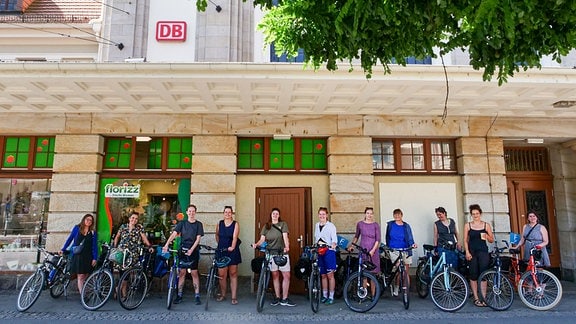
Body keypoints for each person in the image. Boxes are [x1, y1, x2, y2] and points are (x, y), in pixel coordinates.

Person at [252, 207, 295, 307]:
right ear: (270, 215)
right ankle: (277, 297)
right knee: (275, 275)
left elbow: (285, 237)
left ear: (279, 215)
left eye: (277, 214)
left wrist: (287, 246)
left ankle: (284, 298)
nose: (275, 215)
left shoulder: (283, 224)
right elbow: (262, 239)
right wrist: (256, 244)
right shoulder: (266, 226)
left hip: (282, 253)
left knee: (286, 275)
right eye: (273, 214)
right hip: (271, 253)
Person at [163, 204, 204, 305]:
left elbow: (198, 239)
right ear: (186, 212)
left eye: (193, 211)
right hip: (183, 250)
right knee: (182, 273)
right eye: (189, 211)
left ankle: (197, 296)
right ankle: (179, 295)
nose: (191, 213)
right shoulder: (182, 223)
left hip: (193, 250)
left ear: (195, 212)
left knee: (194, 273)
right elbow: (174, 234)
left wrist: (191, 249)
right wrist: (166, 244)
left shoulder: (198, 224)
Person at [113, 211, 154, 298]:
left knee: (127, 273)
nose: (134, 220)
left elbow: (144, 238)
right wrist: (115, 247)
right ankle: (123, 293)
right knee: (122, 272)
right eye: (132, 218)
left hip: (132, 253)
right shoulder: (123, 227)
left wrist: (149, 246)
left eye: (136, 219)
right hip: (121, 252)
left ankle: (118, 289)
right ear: (129, 219)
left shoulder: (139, 228)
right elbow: (117, 237)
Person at [463, 204, 494, 307]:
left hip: (483, 251)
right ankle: (476, 298)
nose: (475, 215)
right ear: (471, 215)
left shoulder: (486, 225)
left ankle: (484, 298)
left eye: (477, 213)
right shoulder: (468, 225)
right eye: (473, 214)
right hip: (472, 252)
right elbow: (465, 240)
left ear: (480, 214)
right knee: (473, 274)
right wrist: (467, 252)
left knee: (483, 274)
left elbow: (491, 240)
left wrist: (486, 236)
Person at [348, 207, 381, 298]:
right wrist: (352, 246)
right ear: (365, 214)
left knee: (373, 274)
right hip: (363, 250)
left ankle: (374, 295)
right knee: (364, 273)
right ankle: (364, 294)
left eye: (371, 213)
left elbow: (378, 239)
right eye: (368, 213)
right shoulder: (360, 224)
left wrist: (373, 250)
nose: (369, 215)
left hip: (373, 251)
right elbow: (356, 236)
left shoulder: (375, 225)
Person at [61, 213, 98, 293]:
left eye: (91, 220)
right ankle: (82, 294)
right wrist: (63, 248)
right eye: (87, 219)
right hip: (78, 255)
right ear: (84, 220)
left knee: (85, 274)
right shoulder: (77, 228)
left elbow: (94, 246)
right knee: (80, 275)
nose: (89, 221)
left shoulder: (93, 233)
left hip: (88, 256)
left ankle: (82, 287)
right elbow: (70, 239)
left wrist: (95, 258)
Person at [385, 208, 417, 296]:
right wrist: (388, 247)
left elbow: (410, 238)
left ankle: (406, 291)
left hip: (405, 249)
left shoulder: (406, 226)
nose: (397, 216)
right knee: (399, 268)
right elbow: (387, 236)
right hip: (394, 250)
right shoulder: (390, 225)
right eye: (395, 214)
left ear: (401, 215)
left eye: (398, 214)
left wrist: (413, 244)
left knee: (405, 271)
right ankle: (396, 286)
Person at [215, 205, 242, 305]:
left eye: (229, 212)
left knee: (233, 274)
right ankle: (223, 295)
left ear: (232, 213)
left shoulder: (235, 224)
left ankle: (234, 297)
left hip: (232, 250)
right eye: (225, 212)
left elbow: (235, 237)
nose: (227, 214)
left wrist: (232, 247)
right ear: (223, 213)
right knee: (222, 275)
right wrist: (220, 245)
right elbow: (217, 235)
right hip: (222, 250)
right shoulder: (219, 223)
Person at [313, 207, 338, 305]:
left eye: (324, 214)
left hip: (329, 251)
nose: (322, 216)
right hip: (320, 250)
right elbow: (316, 238)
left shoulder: (331, 226)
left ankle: (331, 296)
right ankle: (324, 295)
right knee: (323, 275)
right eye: (320, 214)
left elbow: (334, 239)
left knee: (330, 275)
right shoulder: (317, 225)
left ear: (327, 215)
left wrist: (333, 244)